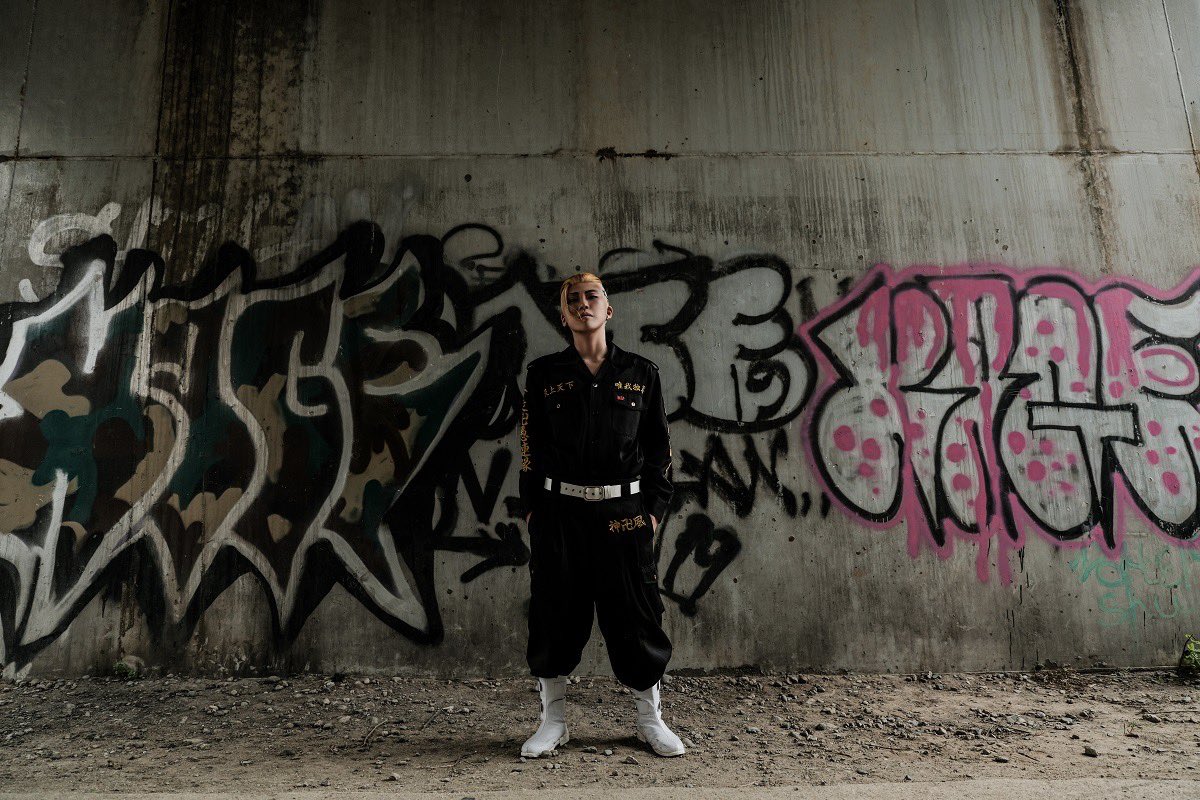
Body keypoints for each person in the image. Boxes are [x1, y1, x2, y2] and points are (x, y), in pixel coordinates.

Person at [516, 272, 685, 758]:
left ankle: (649, 720)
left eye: (592, 296)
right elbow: (530, 450)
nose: (582, 303)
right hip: (560, 516)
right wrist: (534, 513)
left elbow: (660, 453)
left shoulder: (642, 373)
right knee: (554, 615)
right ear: (563, 315)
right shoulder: (543, 374)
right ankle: (553, 722)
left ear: (608, 309)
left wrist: (652, 514)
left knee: (637, 616)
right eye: (572, 299)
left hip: (624, 516)